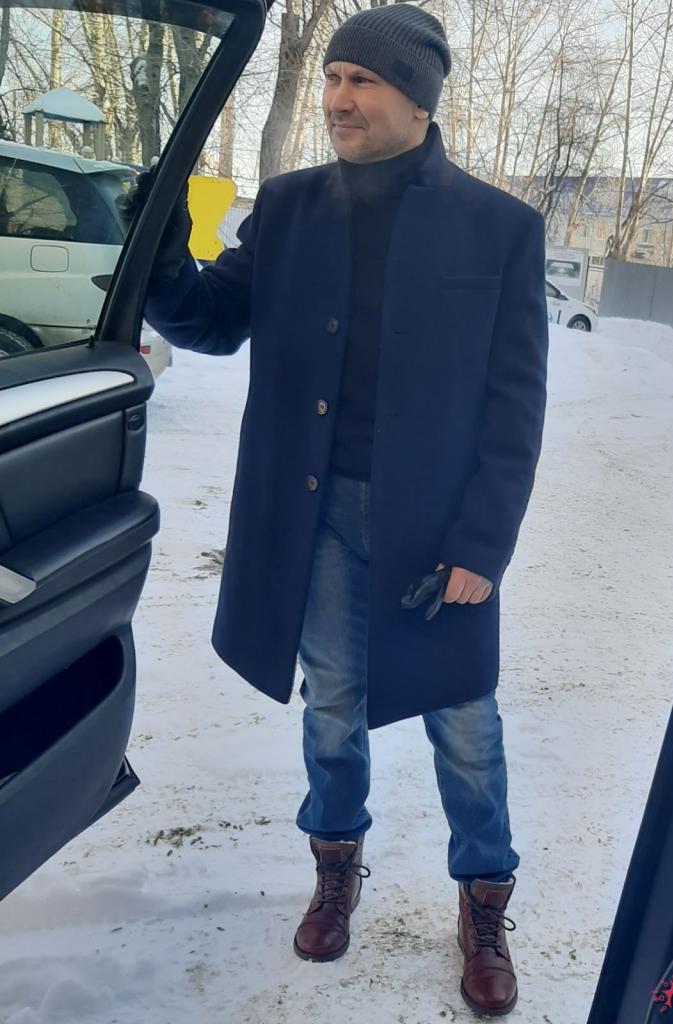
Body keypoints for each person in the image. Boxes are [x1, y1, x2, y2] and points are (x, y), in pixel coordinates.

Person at [137, 4, 548, 1015]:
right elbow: (210, 322)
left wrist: (483, 543)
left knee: (464, 718)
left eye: (360, 80)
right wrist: (155, 246)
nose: (336, 99)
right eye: (330, 77)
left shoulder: (498, 228)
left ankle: (483, 899)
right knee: (330, 702)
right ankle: (334, 865)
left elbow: (515, 403)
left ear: (417, 98)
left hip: (438, 530)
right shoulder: (290, 208)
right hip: (314, 518)